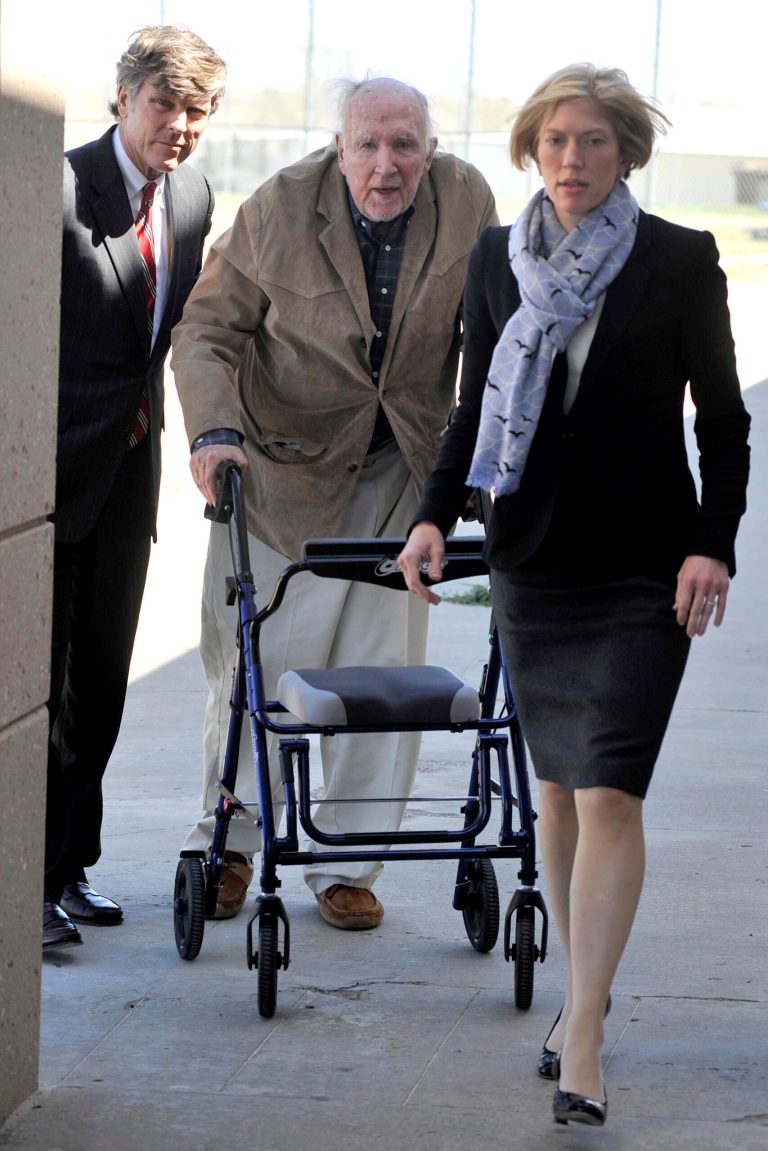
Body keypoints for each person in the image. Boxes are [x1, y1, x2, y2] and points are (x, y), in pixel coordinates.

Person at [398, 63, 750, 1128]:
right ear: (530, 150)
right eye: (555, 140)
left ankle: (586, 1024)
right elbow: (472, 410)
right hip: (533, 559)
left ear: (627, 152)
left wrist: (713, 545)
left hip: (646, 562)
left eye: (594, 141)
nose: (572, 160)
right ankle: (577, 991)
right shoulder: (497, 261)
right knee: (556, 791)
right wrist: (433, 512)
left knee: (611, 789)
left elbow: (725, 423)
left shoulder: (680, 259)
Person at [170, 76, 498, 931]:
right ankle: (231, 842)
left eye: (405, 147)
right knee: (258, 665)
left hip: (405, 464)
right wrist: (213, 434)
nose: (386, 167)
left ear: (431, 150)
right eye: (369, 146)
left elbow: (492, 332)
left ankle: (349, 863)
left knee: (383, 669)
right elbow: (206, 331)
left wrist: (491, 455)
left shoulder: (466, 200)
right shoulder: (280, 207)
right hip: (283, 471)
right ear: (340, 146)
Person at [44, 26, 226, 951]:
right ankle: (26, 880)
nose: (182, 126)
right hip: (47, 469)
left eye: (198, 111)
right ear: (124, 99)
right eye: (166, 104)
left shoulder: (191, 195)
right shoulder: (59, 186)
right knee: (41, 681)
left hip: (129, 472)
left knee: (102, 685)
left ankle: (71, 869)